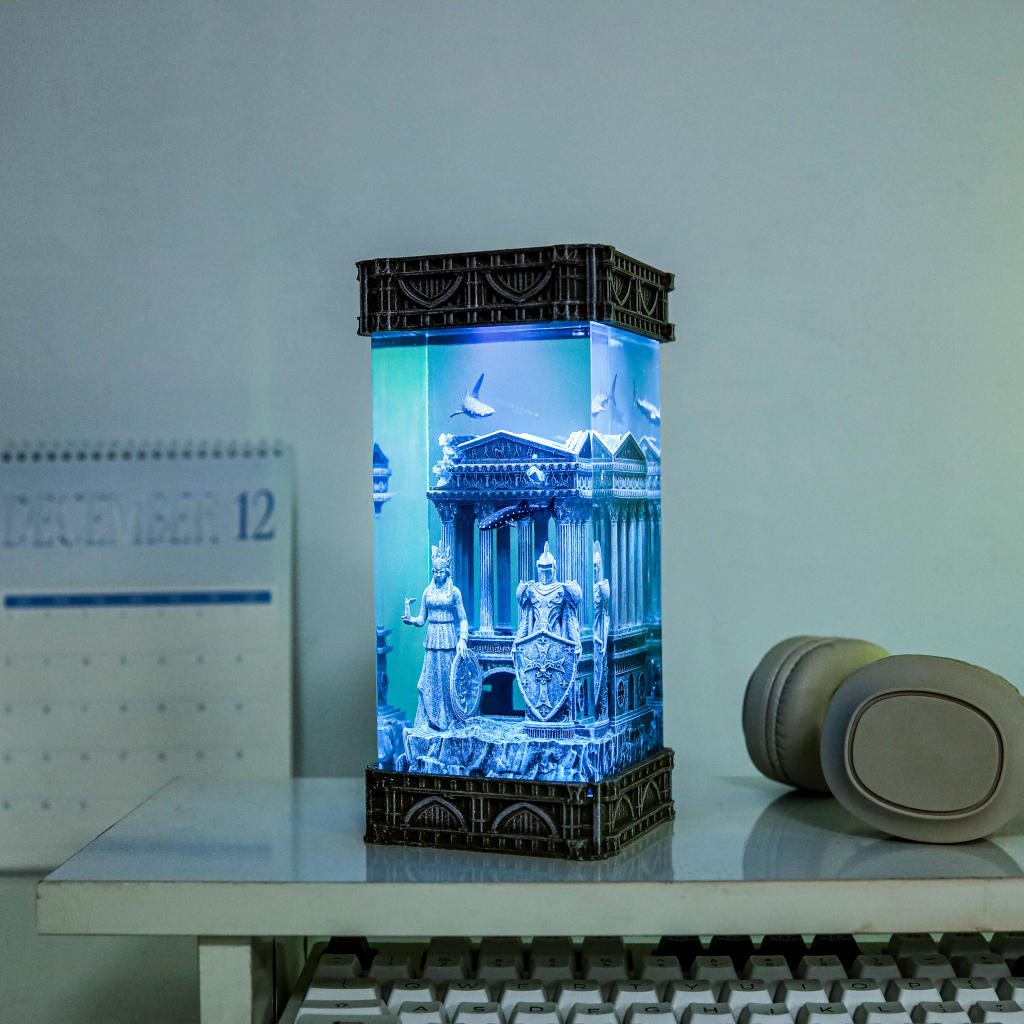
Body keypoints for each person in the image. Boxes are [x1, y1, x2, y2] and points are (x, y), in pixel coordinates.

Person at [402, 544, 468, 731]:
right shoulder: (427, 592)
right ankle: (429, 719)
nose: (438, 575)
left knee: (448, 679)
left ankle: (448, 719)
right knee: (429, 679)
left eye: (441, 571)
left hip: (448, 637)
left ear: (447, 572)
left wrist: (463, 639)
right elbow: (421, 619)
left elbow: (463, 619)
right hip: (432, 637)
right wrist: (410, 619)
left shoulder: (454, 592)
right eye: (435, 571)